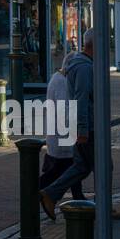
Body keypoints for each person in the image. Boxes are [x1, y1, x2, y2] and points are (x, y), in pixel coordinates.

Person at [39, 31, 95, 220]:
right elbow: (75, 105)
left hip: (65, 136)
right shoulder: (71, 77)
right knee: (79, 167)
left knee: (79, 167)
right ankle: (45, 193)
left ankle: (57, 195)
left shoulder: (60, 77)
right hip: (66, 137)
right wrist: (81, 129)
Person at [38, 62, 86, 201]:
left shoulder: (58, 78)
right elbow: (64, 109)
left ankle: (78, 197)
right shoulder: (62, 82)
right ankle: (35, 193)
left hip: (59, 137)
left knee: (71, 167)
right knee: (63, 169)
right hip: (62, 137)